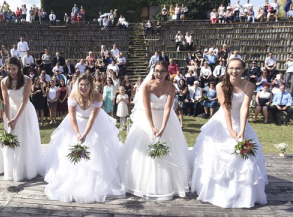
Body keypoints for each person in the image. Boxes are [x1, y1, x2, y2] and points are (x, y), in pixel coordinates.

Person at [191, 58, 268, 208]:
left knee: (246, 156)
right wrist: (231, 130)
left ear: (243, 69)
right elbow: (226, 108)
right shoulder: (221, 86)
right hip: (222, 121)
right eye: (231, 68)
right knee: (216, 155)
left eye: (238, 68)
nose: (234, 71)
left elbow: (244, 107)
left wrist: (242, 130)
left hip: (241, 121)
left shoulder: (249, 85)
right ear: (227, 69)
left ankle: (244, 194)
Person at [40, 73, 125, 203]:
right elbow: (72, 117)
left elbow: (92, 117)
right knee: (70, 153)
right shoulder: (73, 95)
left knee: (96, 154)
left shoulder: (97, 96)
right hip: (75, 124)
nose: (83, 87)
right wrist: (77, 133)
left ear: (91, 85)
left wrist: (85, 134)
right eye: (81, 85)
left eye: (86, 85)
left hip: (94, 124)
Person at [118, 60, 190, 200]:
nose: (159, 74)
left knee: (169, 149)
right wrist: (151, 126)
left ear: (167, 73)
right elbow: (147, 108)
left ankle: (168, 185)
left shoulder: (171, 87)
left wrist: (163, 127)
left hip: (165, 118)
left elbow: (168, 108)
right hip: (148, 118)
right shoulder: (147, 86)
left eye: (162, 71)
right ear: (153, 71)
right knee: (145, 151)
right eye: (157, 71)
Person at [1, 57, 42, 182]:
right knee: (12, 139)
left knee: (25, 138)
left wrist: (16, 118)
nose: (11, 71)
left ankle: (27, 169)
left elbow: (24, 101)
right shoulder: (3, 81)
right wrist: (8, 119)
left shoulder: (27, 80)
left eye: (14, 69)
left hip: (24, 112)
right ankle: (13, 169)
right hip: (11, 111)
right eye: (8, 69)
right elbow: (6, 101)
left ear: (19, 68)